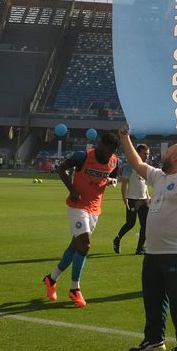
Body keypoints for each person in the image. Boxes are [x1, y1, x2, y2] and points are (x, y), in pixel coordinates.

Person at [121, 124, 177, 351]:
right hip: (154, 250)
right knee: (153, 299)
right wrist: (125, 138)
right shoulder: (159, 176)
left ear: (175, 157)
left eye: (167, 152)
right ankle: (154, 340)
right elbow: (136, 163)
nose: (163, 155)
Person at [42, 130, 120, 307]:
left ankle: (51, 279)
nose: (107, 154)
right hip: (77, 206)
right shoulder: (82, 156)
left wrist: (111, 181)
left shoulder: (114, 161)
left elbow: (112, 175)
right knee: (85, 245)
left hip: (95, 209)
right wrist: (72, 189)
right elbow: (61, 169)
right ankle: (74, 288)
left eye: (110, 151)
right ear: (99, 145)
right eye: (105, 149)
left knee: (75, 246)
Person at [114, 142, 151, 255]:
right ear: (138, 153)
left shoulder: (146, 167)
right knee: (130, 223)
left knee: (145, 225)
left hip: (144, 200)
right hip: (132, 200)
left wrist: (148, 196)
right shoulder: (130, 166)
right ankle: (117, 238)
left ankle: (140, 248)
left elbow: (144, 183)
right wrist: (124, 197)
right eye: (144, 154)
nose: (147, 156)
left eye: (148, 154)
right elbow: (124, 183)